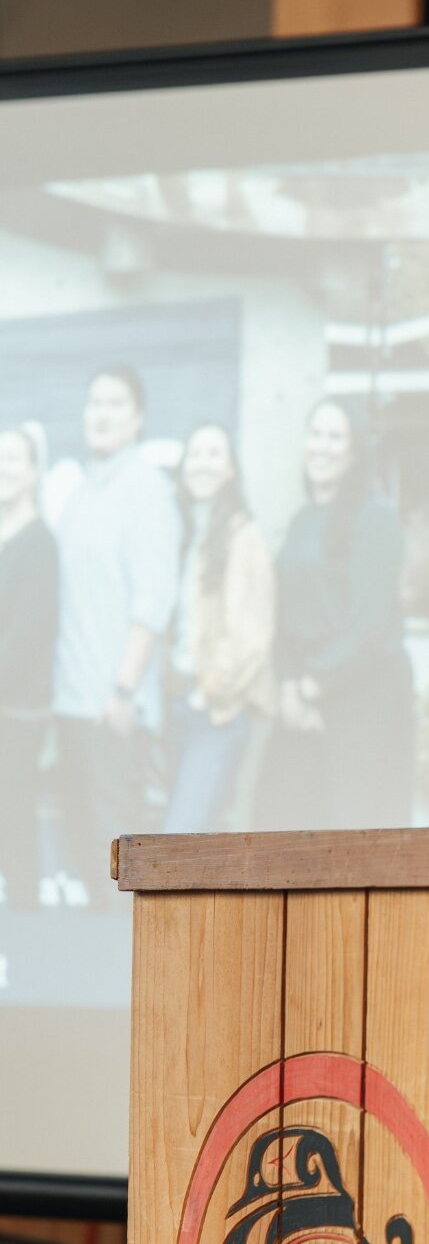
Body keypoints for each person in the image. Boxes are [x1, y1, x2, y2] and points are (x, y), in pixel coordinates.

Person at [49, 366, 179, 907]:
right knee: (79, 842)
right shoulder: (79, 491)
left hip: (113, 709)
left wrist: (124, 691)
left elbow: (153, 603)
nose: (101, 414)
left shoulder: (146, 489)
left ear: (138, 418)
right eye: (93, 402)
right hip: (70, 705)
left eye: (115, 404)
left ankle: (125, 982)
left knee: (116, 862)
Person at [259, 398, 414, 829]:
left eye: (335, 436)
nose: (321, 446)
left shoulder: (376, 518)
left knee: (354, 835)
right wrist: (290, 685)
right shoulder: (302, 520)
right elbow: (285, 614)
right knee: (281, 823)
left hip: (364, 697)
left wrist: (312, 685)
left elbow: (368, 623)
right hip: (303, 696)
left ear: (355, 451)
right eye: (316, 434)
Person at [163, 423, 276, 833]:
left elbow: (252, 635)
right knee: (185, 839)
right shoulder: (187, 532)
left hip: (217, 713)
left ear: (231, 470)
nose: (203, 464)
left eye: (214, 454)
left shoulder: (243, 536)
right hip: (179, 707)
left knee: (181, 839)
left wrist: (212, 692)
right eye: (195, 454)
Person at [0, 424, 58, 909]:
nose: (3, 467)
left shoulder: (40, 545)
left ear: (34, 472)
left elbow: (24, 640)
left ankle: (24, 939)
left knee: (14, 824)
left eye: (13, 458)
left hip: (16, 718)